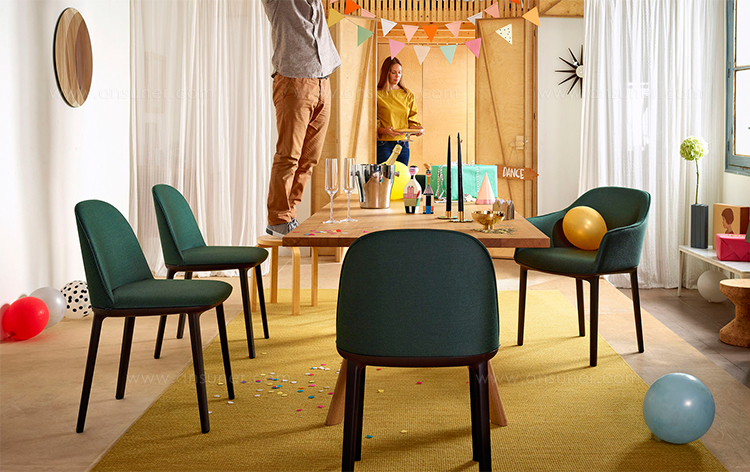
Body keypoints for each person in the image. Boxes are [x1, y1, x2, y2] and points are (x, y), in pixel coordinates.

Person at [261, 0, 341, 238]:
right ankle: (278, 218)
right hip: (294, 80)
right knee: (289, 155)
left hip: (323, 80)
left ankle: (290, 214)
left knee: (309, 158)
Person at [376, 57, 424, 166]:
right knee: (386, 176)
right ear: (386, 73)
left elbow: (411, 120)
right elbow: (372, 123)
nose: (397, 76)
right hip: (384, 144)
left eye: (400, 72)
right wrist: (385, 131)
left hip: (404, 145)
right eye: (393, 72)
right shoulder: (377, 94)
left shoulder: (407, 94)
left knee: (402, 175)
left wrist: (417, 129)